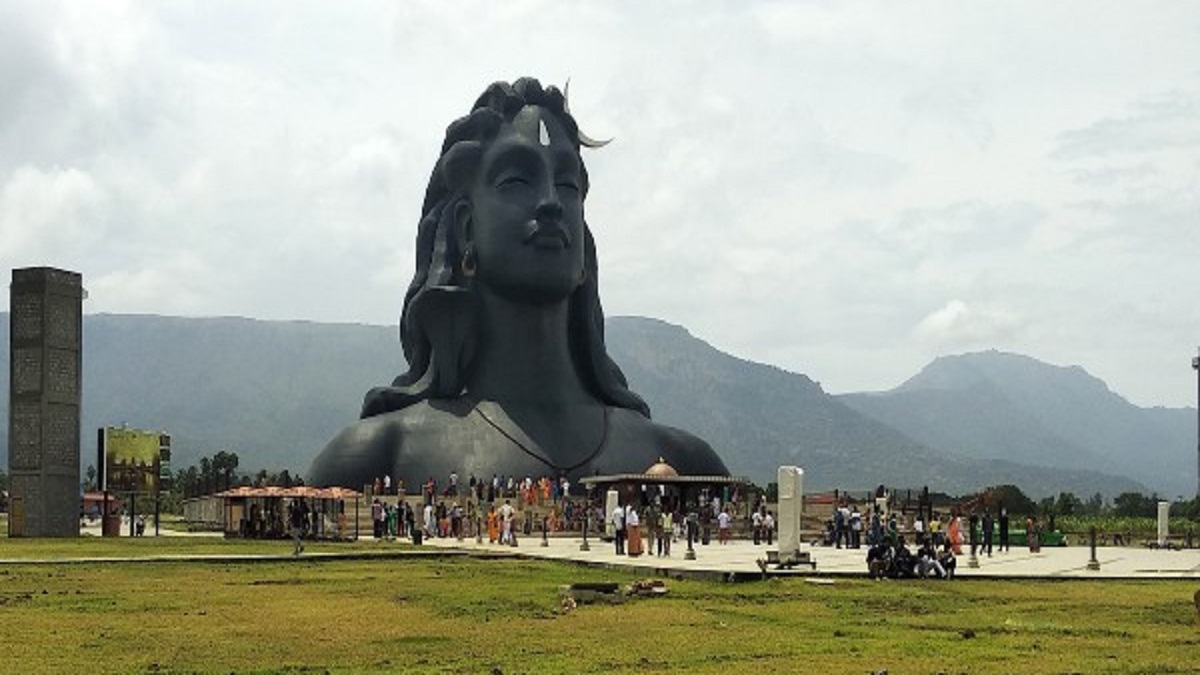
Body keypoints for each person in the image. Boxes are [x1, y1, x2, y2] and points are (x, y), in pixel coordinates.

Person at [308, 78, 729, 490]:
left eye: (566, 184)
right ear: (466, 229)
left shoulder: (684, 462)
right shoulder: (378, 454)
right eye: (517, 181)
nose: (550, 202)